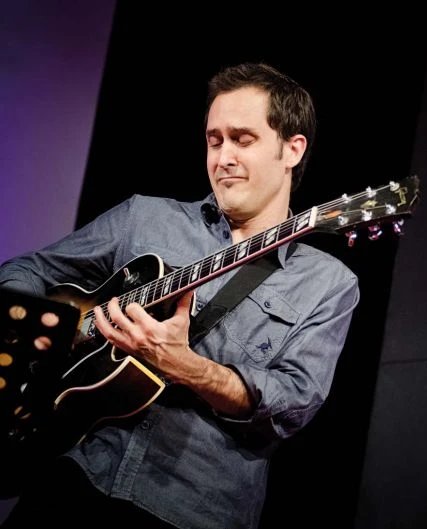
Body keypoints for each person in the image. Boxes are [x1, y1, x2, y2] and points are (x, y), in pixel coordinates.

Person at [0, 62, 360, 529]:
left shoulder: (328, 283)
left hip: (190, 510)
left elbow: (292, 405)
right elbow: (27, 270)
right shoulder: (144, 217)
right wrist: (42, 343)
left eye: (243, 139)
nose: (223, 157)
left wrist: (188, 367)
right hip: (72, 475)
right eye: (215, 140)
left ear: (292, 149)